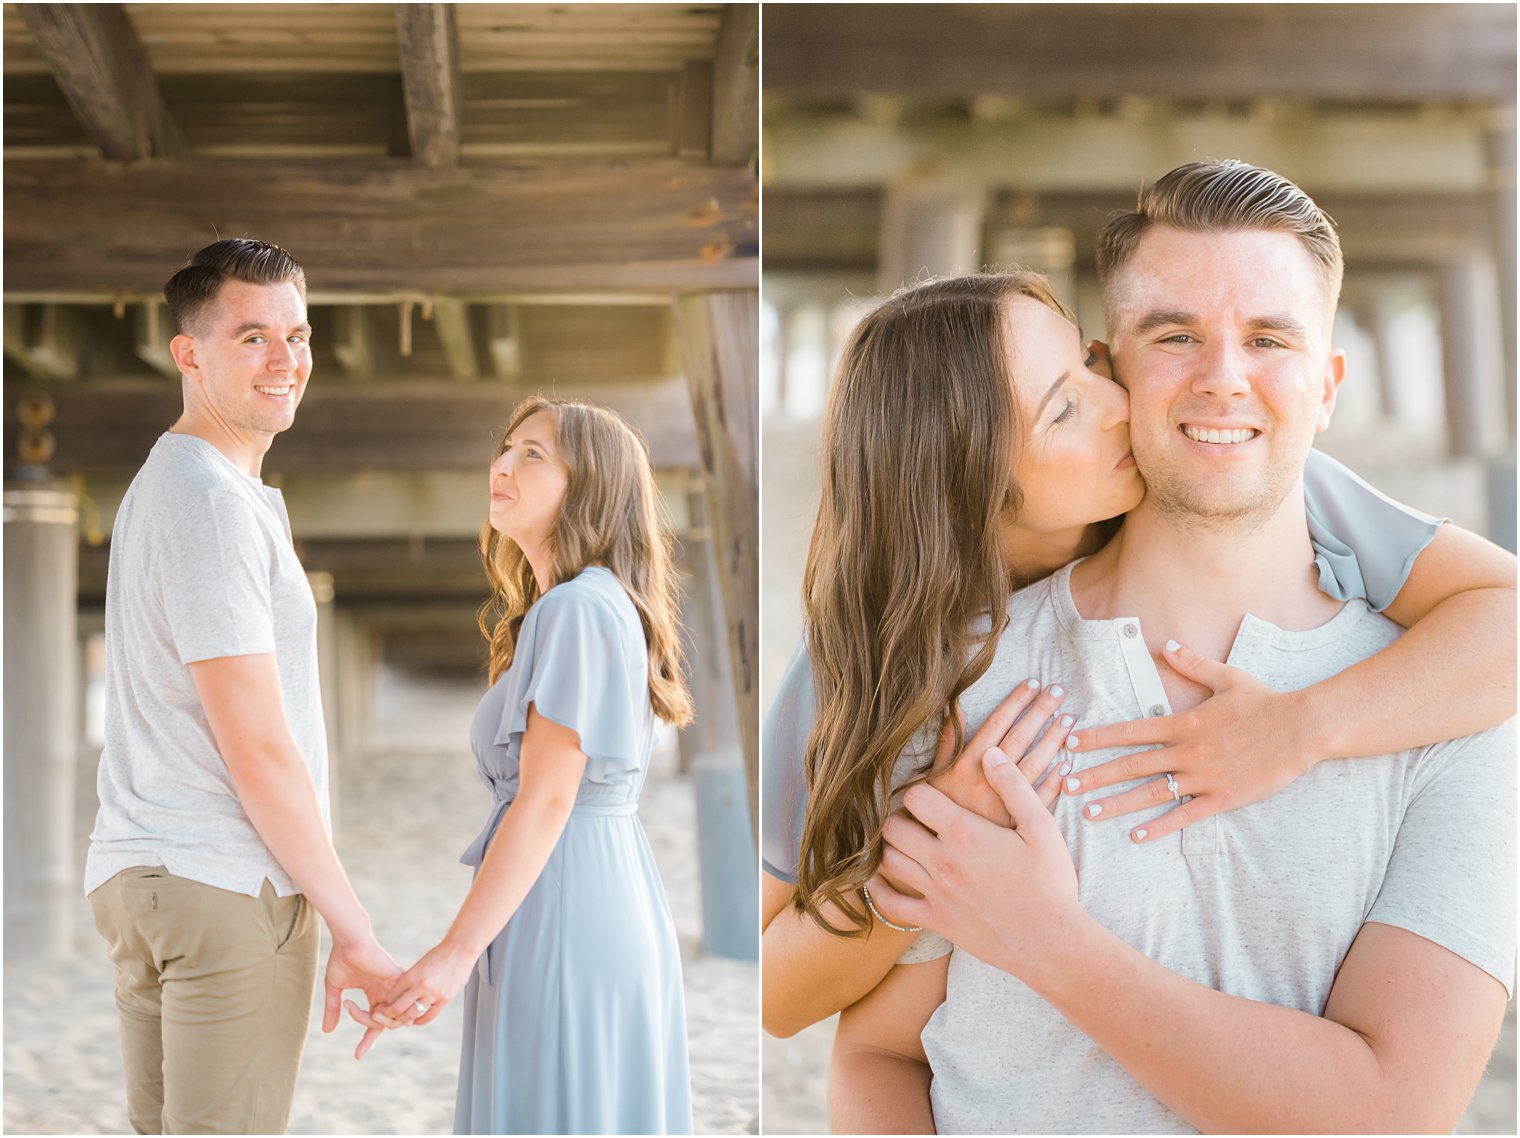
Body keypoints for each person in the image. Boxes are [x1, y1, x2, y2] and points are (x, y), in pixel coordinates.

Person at [842, 161, 1516, 1132]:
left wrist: (1046, 942)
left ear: (1325, 387)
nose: (1222, 377)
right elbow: (874, 1052)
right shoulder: (962, 676)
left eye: (1268, 338)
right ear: (1110, 370)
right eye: (1174, 335)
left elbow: (1391, 1112)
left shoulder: (1456, 708)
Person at [84, 238, 400, 1134]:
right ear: (188, 354)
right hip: (224, 885)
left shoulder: (170, 486)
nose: (286, 361)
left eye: (297, 336)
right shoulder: (210, 502)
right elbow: (256, 747)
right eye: (253, 337)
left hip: (144, 879)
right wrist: (352, 925)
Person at [347, 396, 695, 1134]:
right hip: (596, 886)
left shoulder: (574, 610)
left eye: (532, 454)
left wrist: (453, 953)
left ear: (591, 486)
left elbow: (545, 801)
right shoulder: (593, 606)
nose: (500, 465)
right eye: (504, 448)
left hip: (565, 898)